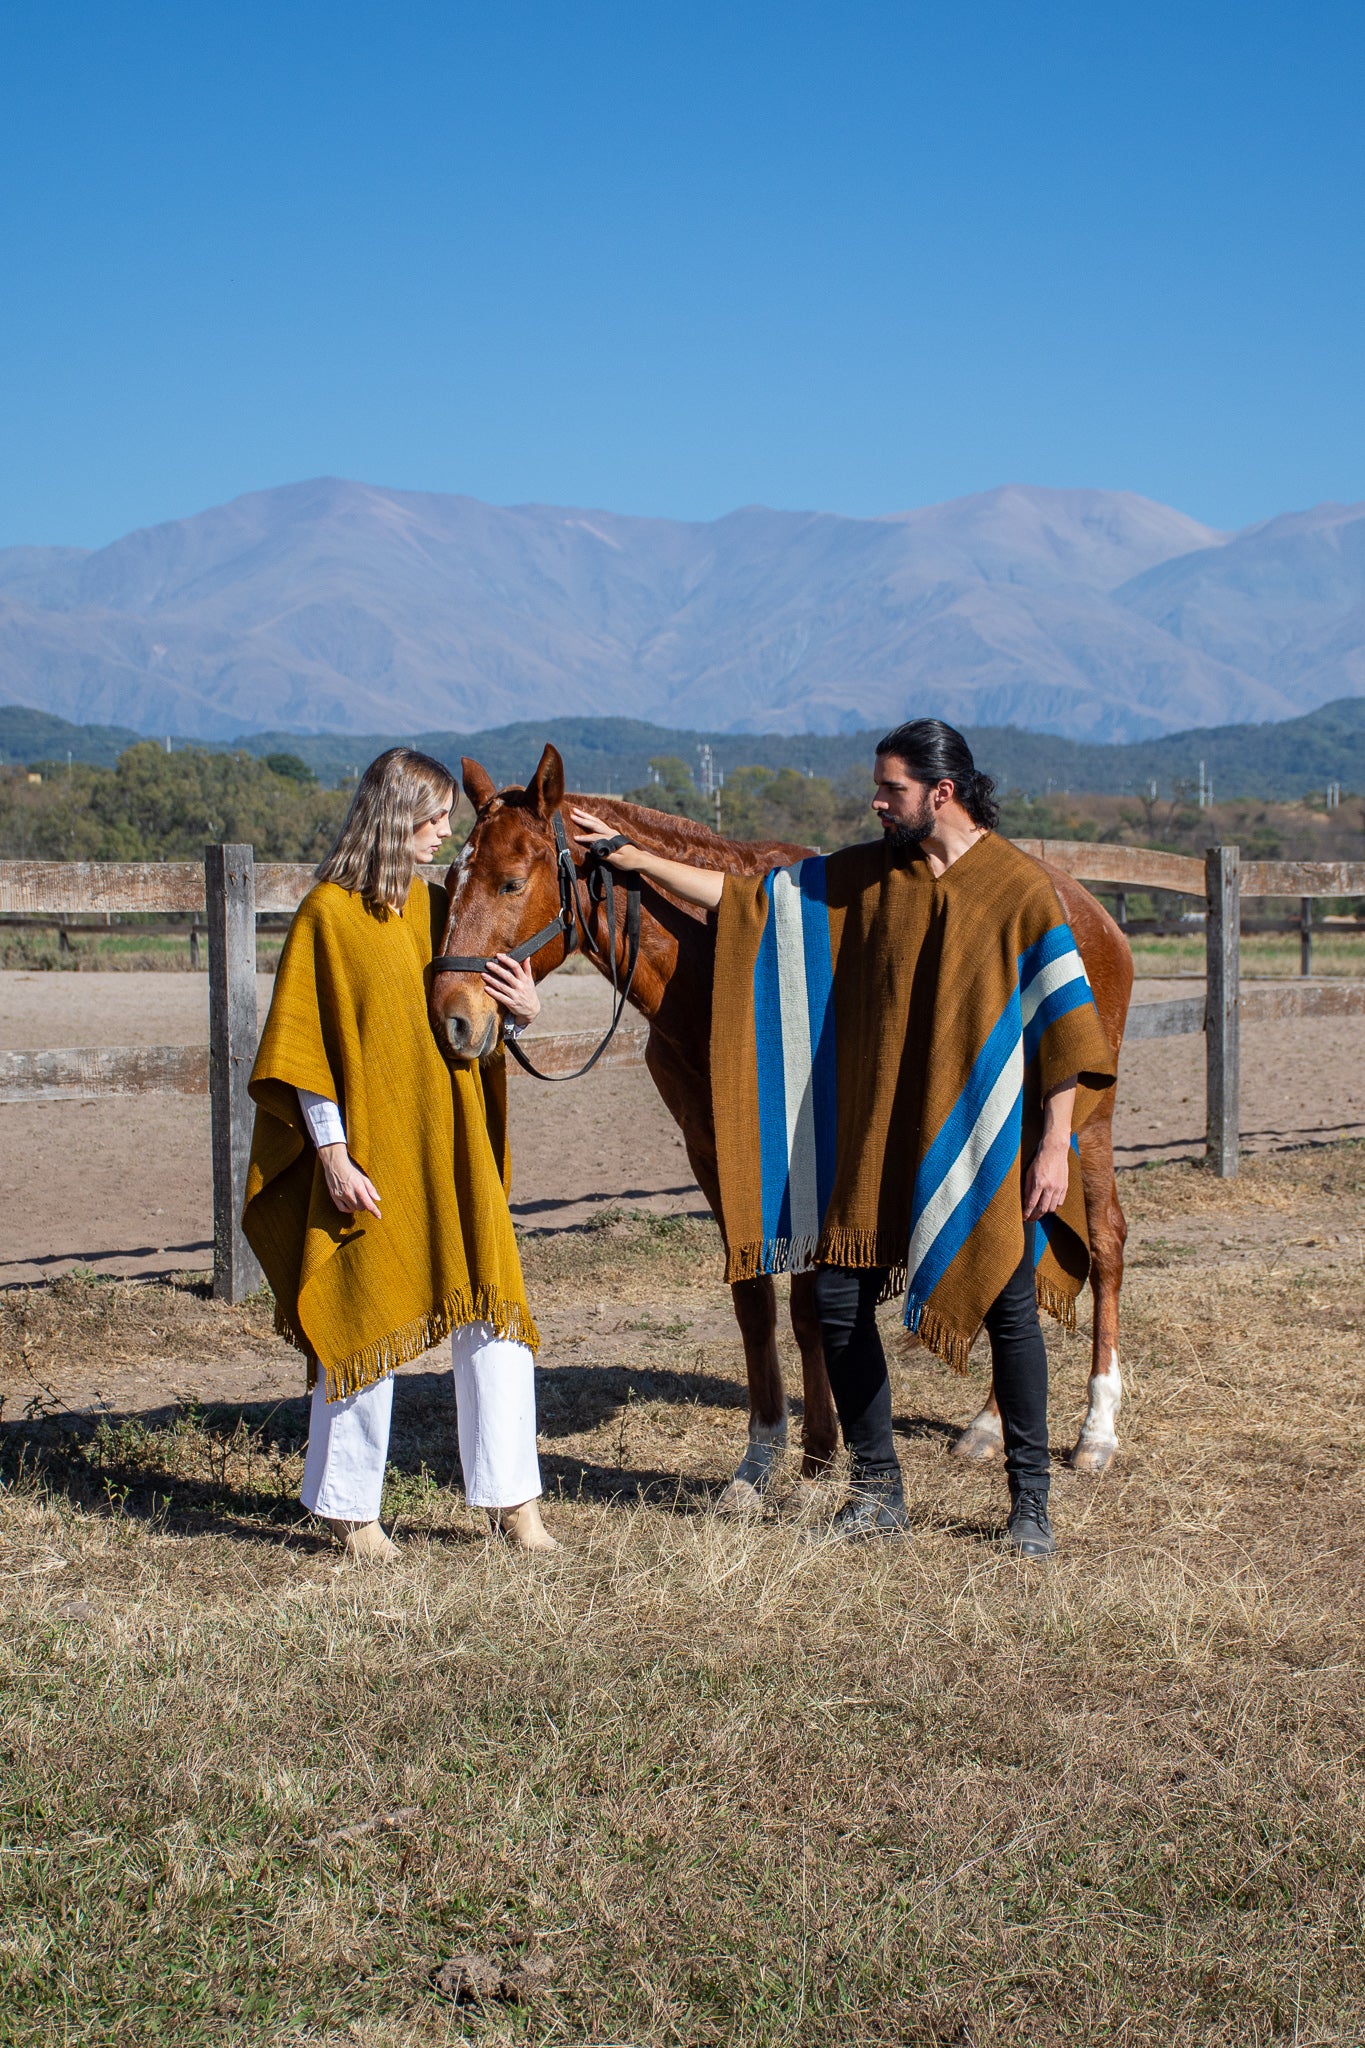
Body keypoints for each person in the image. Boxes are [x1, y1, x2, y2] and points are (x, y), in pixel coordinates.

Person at [571, 718, 1116, 1557]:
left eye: (889, 788)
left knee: (1009, 1312)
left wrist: (1051, 1146)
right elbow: (750, 900)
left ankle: (1029, 1503)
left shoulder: (1018, 890)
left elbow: (1063, 1033)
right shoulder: (870, 875)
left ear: (941, 792)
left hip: (986, 1141)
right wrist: (638, 861)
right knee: (834, 1299)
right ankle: (876, 1489)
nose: (875, 800)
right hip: (875, 1137)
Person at [243, 747, 559, 1561]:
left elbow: (472, 1023)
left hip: (454, 1144)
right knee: (363, 1310)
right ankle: (352, 1513)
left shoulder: (433, 908)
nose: (447, 835)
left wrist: (521, 1010)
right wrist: (334, 1158)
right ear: (394, 817)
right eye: (435, 819)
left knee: (494, 1314)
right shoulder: (328, 914)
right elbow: (308, 1050)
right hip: (373, 1149)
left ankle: (514, 1501)